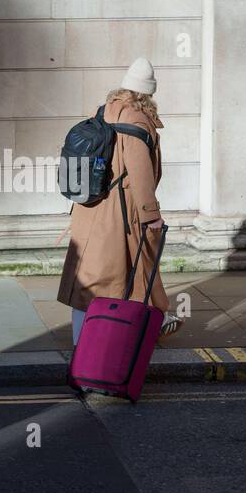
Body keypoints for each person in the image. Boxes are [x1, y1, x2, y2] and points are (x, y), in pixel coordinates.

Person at [57, 57, 182, 341]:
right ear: (148, 93)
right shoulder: (137, 121)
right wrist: (152, 216)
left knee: (87, 283)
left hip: (89, 209)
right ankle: (141, 328)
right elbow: (140, 175)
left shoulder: (105, 111)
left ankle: (83, 343)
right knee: (129, 275)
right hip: (119, 215)